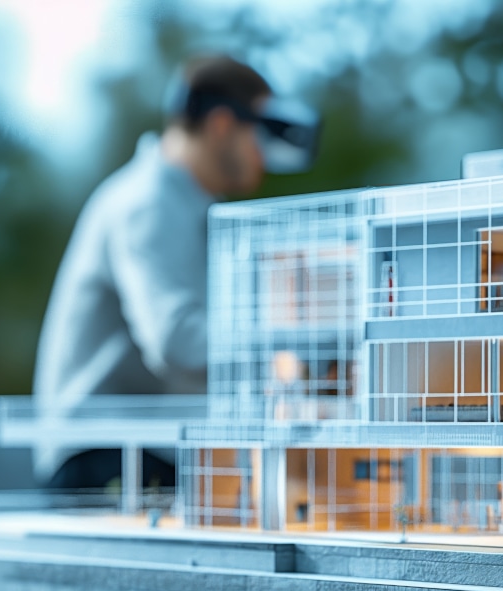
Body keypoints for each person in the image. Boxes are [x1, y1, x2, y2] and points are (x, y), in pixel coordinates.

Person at [33, 55, 319, 490]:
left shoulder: (184, 202)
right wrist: (294, 351)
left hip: (137, 449)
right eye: (258, 136)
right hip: (106, 458)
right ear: (222, 125)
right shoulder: (150, 202)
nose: (263, 157)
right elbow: (177, 340)